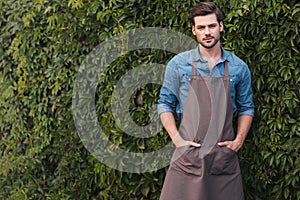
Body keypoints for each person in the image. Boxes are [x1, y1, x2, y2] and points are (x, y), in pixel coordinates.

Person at [157, 2, 254, 200]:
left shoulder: (238, 67)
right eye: (201, 27)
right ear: (194, 31)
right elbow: (165, 103)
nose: (207, 32)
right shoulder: (178, 65)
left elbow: (246, 107)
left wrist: (238, 141)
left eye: (211, 26)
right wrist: (177, 140)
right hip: (188, 157)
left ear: (221, 26)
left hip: (222, 157)